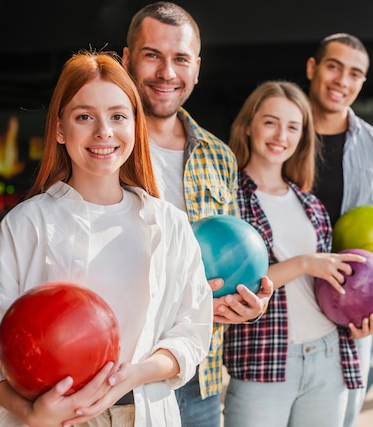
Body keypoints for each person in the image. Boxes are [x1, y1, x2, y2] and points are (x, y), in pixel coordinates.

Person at [0, 49, 213, 427]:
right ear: (60, 129)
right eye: (84, 116)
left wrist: (136, 373)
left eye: (118, 116)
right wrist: (32, 413)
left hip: (141, 413)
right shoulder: (25, 224)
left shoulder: (170, 224)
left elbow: (192, 334)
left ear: (134, 127)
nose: (103, 131)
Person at [121, 3, 273, 426]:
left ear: (197, 68)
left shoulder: (218, 155)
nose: (167, 72)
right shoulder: (104, 145)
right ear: (126, 59)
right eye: (152, 55)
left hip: (197, 380)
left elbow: (241, 254)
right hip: (117, 370)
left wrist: (250, 303)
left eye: (181, 59)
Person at [222, 80, 373, 426]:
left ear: (302, 136)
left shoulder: (311, 204)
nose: (280, 134)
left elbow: (329, 287)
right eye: (270, 121)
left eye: (292, 126)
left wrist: (358, 322)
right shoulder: (228, 200)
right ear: (249, 125)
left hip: (328, 356)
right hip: (263, 360)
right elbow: (236, 284)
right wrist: (303, 264)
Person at [306, 33, 373, 426]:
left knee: (342, 417)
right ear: (313, 68)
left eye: (355, 73)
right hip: (287, 299)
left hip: (349, 305)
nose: (342, 80)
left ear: (362, 82)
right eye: (333, 66)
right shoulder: (280, 135)